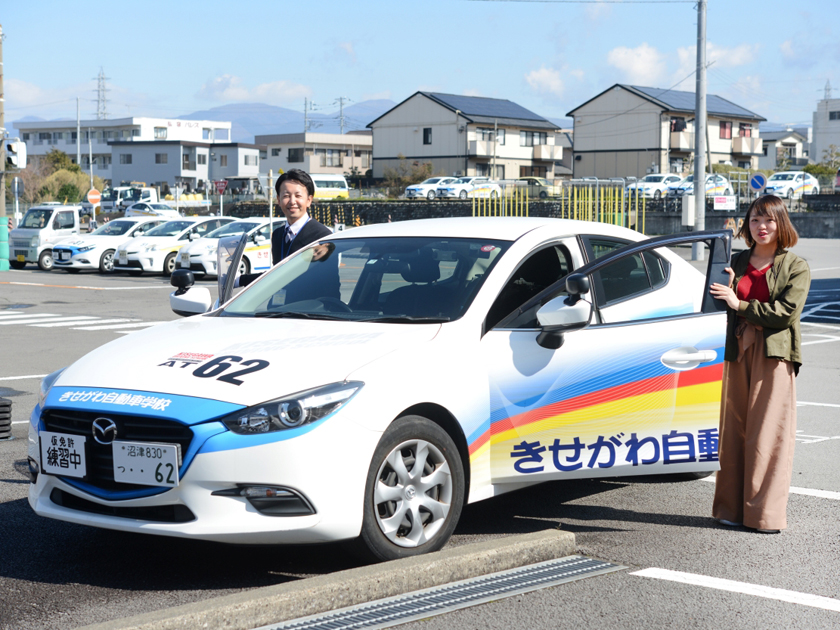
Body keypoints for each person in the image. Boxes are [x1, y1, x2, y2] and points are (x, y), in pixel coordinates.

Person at [709, 195, 810, 534]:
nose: (761, 226)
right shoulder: (735, 261)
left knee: (767, 434)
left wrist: (739, 303)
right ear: (746, 225)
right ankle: (729, 509)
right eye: (754, 220)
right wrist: (721, 292)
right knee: (734, 431)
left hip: (773, 355)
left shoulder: (795, 265)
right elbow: (719, 302)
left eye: (768, 220)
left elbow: (785, 314)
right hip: (738, 350)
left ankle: (763, 516)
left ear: (781, 224)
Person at [238, 169, 332, 287]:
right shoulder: (278, 234)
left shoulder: (322, 236)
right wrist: (239, 280)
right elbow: (277, 274)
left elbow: (329, 283)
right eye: (286, 196)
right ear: (278, 199)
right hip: (279, 305)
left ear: (309, 200)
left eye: (298, 196)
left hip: (309, 305)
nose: (292, 201)